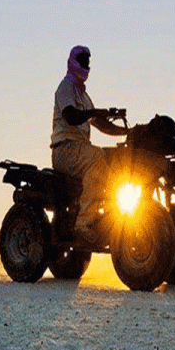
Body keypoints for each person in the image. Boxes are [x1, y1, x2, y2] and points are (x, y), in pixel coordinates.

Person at [50, 45, 129, 241]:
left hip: (79, 150)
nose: (86, 65)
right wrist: (96, 112)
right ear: (73, 62)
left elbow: (100, 124)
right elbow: (71, 116)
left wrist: (128, 132)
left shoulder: (83, 95)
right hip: (65, 150)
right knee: (97, 158)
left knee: (114, 159)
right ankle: (84, 222)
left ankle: (108, 216)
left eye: (88, 61)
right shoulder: (66, 87)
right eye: (83, 61)